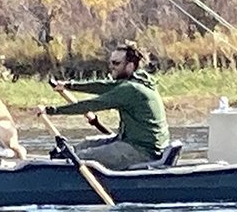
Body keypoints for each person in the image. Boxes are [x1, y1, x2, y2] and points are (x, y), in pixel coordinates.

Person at [37, 41, 170, 171]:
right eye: (111, 62)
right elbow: (103, 86)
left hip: (143, 151)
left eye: (116, 63)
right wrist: (69, 85)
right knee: (83, 145)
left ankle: (58, 175)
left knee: (77, 157)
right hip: (132, 143)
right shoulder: (137, 80)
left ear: (130, 66)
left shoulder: (131, 89)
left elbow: (91, 105)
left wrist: (51, 111)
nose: (111, 66)